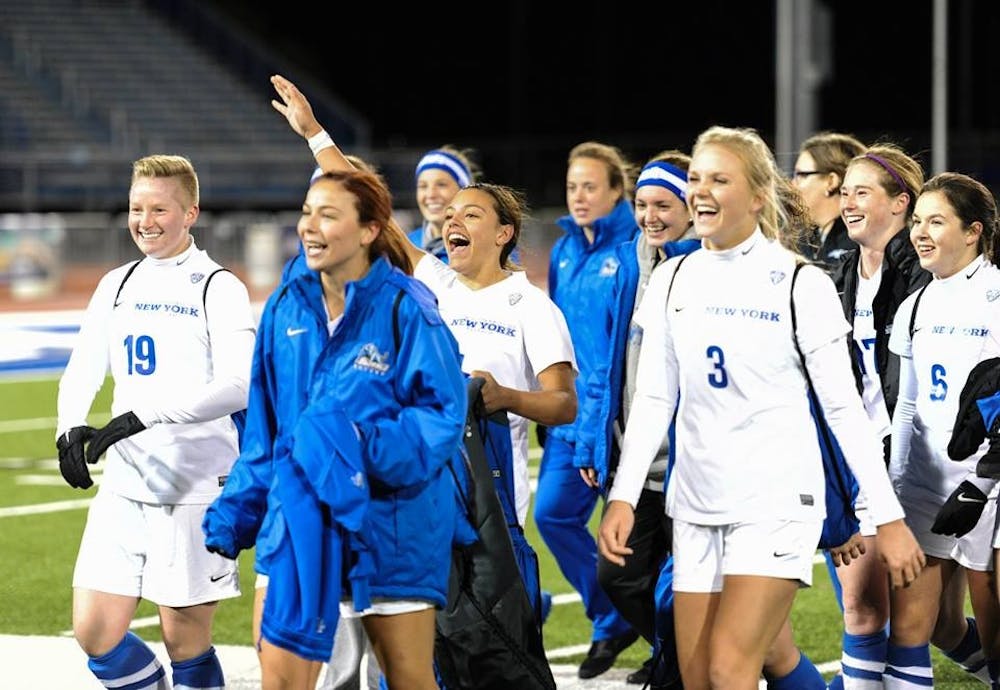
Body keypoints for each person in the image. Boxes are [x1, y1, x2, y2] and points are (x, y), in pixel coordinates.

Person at [598, 125, 925, 690]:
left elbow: (845, 411)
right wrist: (624, 495)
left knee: (731, 668)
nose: (701, 190)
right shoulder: (673, 280)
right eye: (696, 177)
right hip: (696, 504)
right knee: (698, 676)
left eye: (719, 179)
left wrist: (889, 520)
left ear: (757, 196)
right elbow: (655, 396)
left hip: (775, 504)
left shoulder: (801, 284)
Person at [203, 166, 469, 690]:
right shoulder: (285, 305)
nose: (310, 227)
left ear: (369, 230)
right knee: (279, 680)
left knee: (407, 678)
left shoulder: (406, 309)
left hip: (391, 525)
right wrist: (240, 508)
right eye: (307, 213)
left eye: (328, 215)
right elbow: (267, 427)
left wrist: (358, 448)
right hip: (298, 517)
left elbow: (442, 417)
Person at [55, 154, 256, 690]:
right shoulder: (116, 283)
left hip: (193, 487)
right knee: (95, 632)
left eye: (159, 209)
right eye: (136, 208)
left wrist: (146, 415)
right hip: (124, 484)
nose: (145, 220)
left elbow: (239, 384)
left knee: (185, 643)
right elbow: (84, 367)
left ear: (190, 212)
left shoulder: (218, 286)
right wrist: (68, 425)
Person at [579, 151, 698, 687]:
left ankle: (682, 663)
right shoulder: (628, 262)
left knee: (684, 588)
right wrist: (591, 441)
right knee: (618, 576)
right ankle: (677, 655)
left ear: (692, 208)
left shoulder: (704, 265)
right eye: (642, 204)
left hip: (690, 466)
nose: (651, 216)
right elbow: (604, 363)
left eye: (663, 205)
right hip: (634, 458)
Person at [884, 171, 1000, 688]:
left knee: (997, 633)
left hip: (990, 486)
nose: (920, 232)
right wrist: (895, 485)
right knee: (927, 625)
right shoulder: (915, 304)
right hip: (929, 485)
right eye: (917, 221)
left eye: (936, 220)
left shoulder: (997, 296)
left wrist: (982, 484)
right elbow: (907, 406)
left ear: (973, 231)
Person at [538, 139, 642, 679]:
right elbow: (557, 334)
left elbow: (614, 354)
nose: (578, 197)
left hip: (612, 420)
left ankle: (663, 638)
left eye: (590, 187)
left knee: (632, 540)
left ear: (617, 190)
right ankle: (611, 619)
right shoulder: (563, 249)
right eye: (572, 186)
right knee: (551, 514)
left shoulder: (634, 248)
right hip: (569, 414)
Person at [791, 132, 866, 269]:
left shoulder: (864, 240)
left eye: (801, 175)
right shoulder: (799, 242)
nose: (792, 184)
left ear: (831, 181)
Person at [407, 146, 480, 262]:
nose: (431, 194)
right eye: (423, 186)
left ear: (464, 191)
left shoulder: (488, 247)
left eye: (441, 185)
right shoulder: (407, 245)